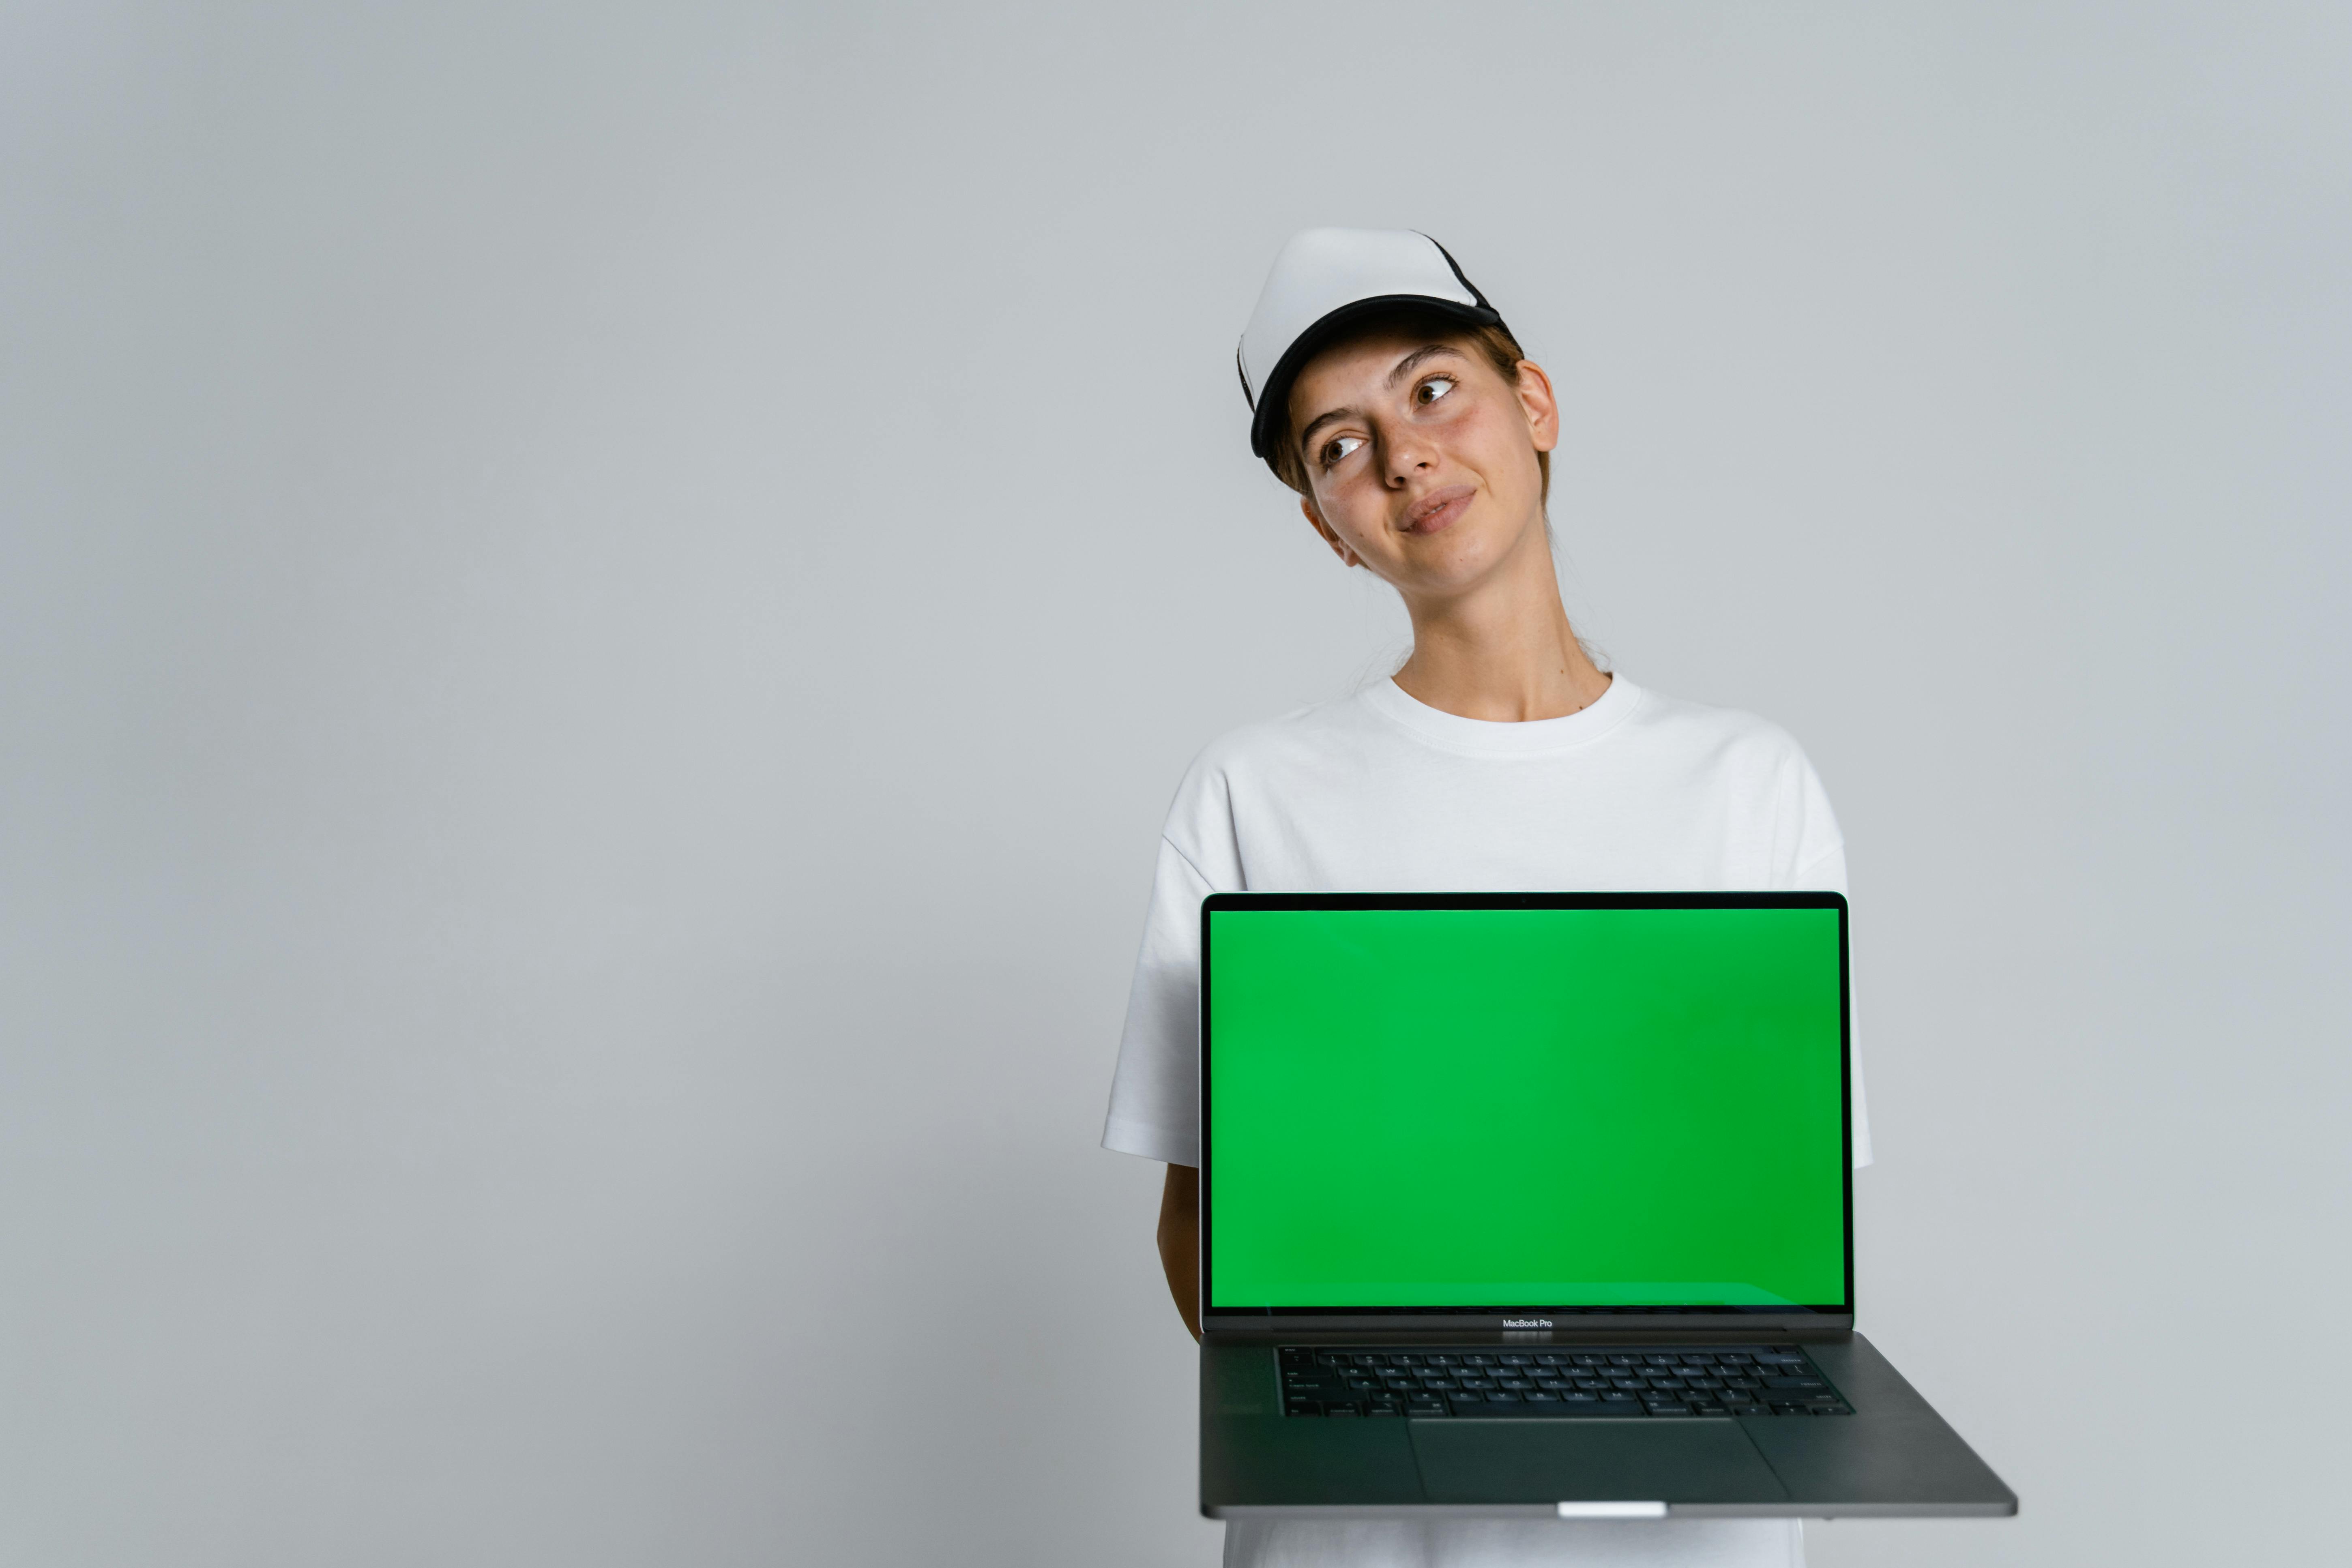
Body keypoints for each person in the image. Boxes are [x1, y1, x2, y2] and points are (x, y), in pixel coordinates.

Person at [1101, 230, 1871, 1568]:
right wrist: (1373, 1403)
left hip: (1684, 1527)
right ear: (1324, 527)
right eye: (1337, 446)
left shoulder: (1749, 784)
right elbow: (1197, 1222)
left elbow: (1783, 1220)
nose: (1402, 456)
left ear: (1535, 405)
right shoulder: (1254, 792)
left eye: (1432, 388)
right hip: (1361, 1532)